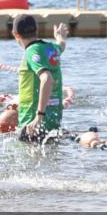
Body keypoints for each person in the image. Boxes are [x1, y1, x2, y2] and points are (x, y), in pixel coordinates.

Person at [12, 15, 68, 143]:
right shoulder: (52, 48)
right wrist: (60, 37)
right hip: (53, 121)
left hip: (33, 121)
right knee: (51, 153)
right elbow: (61, 46)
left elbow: (47, 79)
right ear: (37, 30)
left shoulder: (31, 51)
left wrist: (39, 116)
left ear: (16, 34)